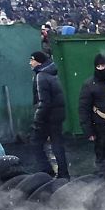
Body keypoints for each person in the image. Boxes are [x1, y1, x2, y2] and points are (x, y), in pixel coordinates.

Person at [29, 50, 69, 178]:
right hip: (57, 116)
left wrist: (37, 120)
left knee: (36, 143)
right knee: (57, 144)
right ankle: (63, 174)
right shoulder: (51, 73)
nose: (30, 62)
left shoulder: (41, 76)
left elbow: (44, 102)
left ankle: (46, 171)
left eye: (32, 60)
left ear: (38, 61)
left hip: (47, 117)